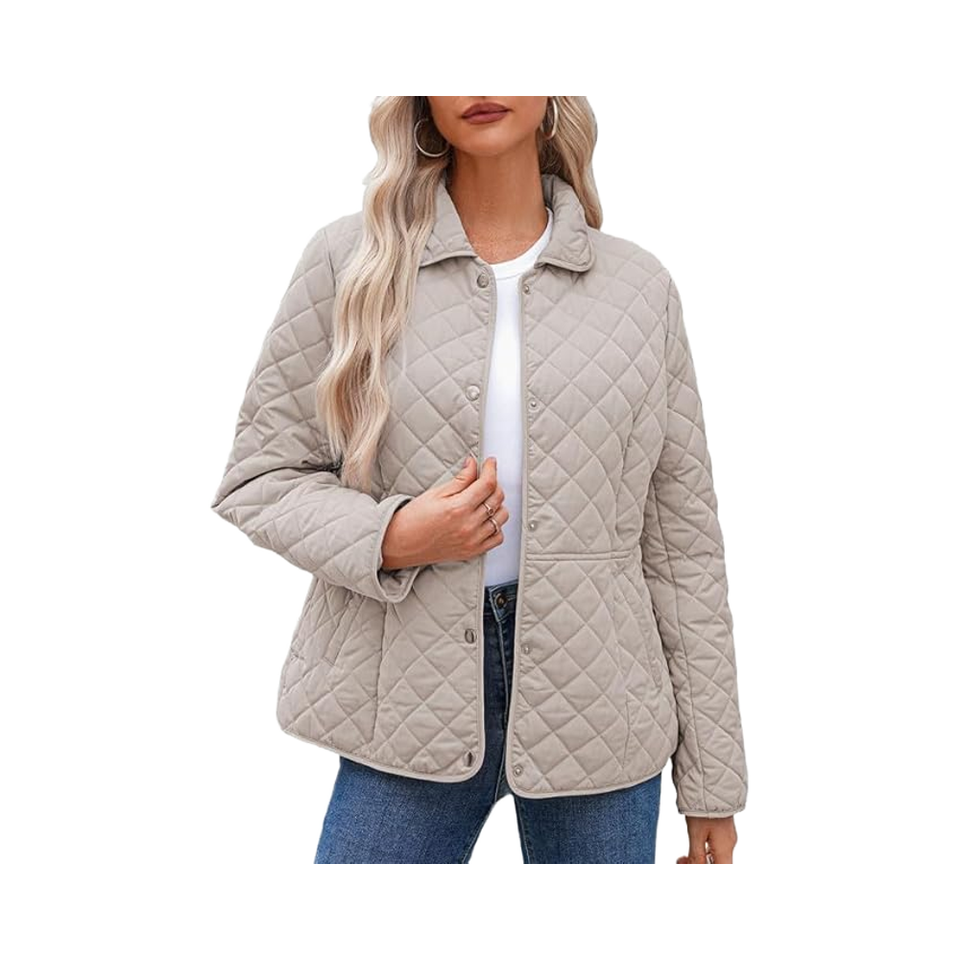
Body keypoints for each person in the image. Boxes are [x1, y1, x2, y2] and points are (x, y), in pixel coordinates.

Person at [210, 96, 748, 864]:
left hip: (601, 707)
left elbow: (682, 549)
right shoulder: (349, 259)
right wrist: (392, 536)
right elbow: (261, 476)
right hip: (405, 699)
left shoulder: (638, 287)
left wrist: (712, 784)